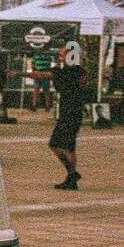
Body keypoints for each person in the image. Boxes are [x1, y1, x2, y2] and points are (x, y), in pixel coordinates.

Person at [30, 49, 87, 190]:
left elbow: (40, 74)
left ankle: (72, 173)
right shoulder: (79, 71)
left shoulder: (62, 72)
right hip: (76, 111)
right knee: (69, 147)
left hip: (68, 113)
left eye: (62, 55)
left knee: (54, 144)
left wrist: (18, 73)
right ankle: (71, 180)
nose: (60, 58)